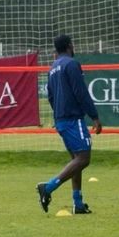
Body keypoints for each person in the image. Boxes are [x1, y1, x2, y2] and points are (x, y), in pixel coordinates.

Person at [36, 34, 102, 214]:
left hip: (61, 120)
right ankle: (48, 188)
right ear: (70, 46)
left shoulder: (52, 68)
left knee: (76, 160)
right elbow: (81, 92)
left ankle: (78, 203)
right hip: (73, 119)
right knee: (83, 158)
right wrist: (94, 116)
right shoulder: (71, 64)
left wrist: (58, 113)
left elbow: (50, 96)